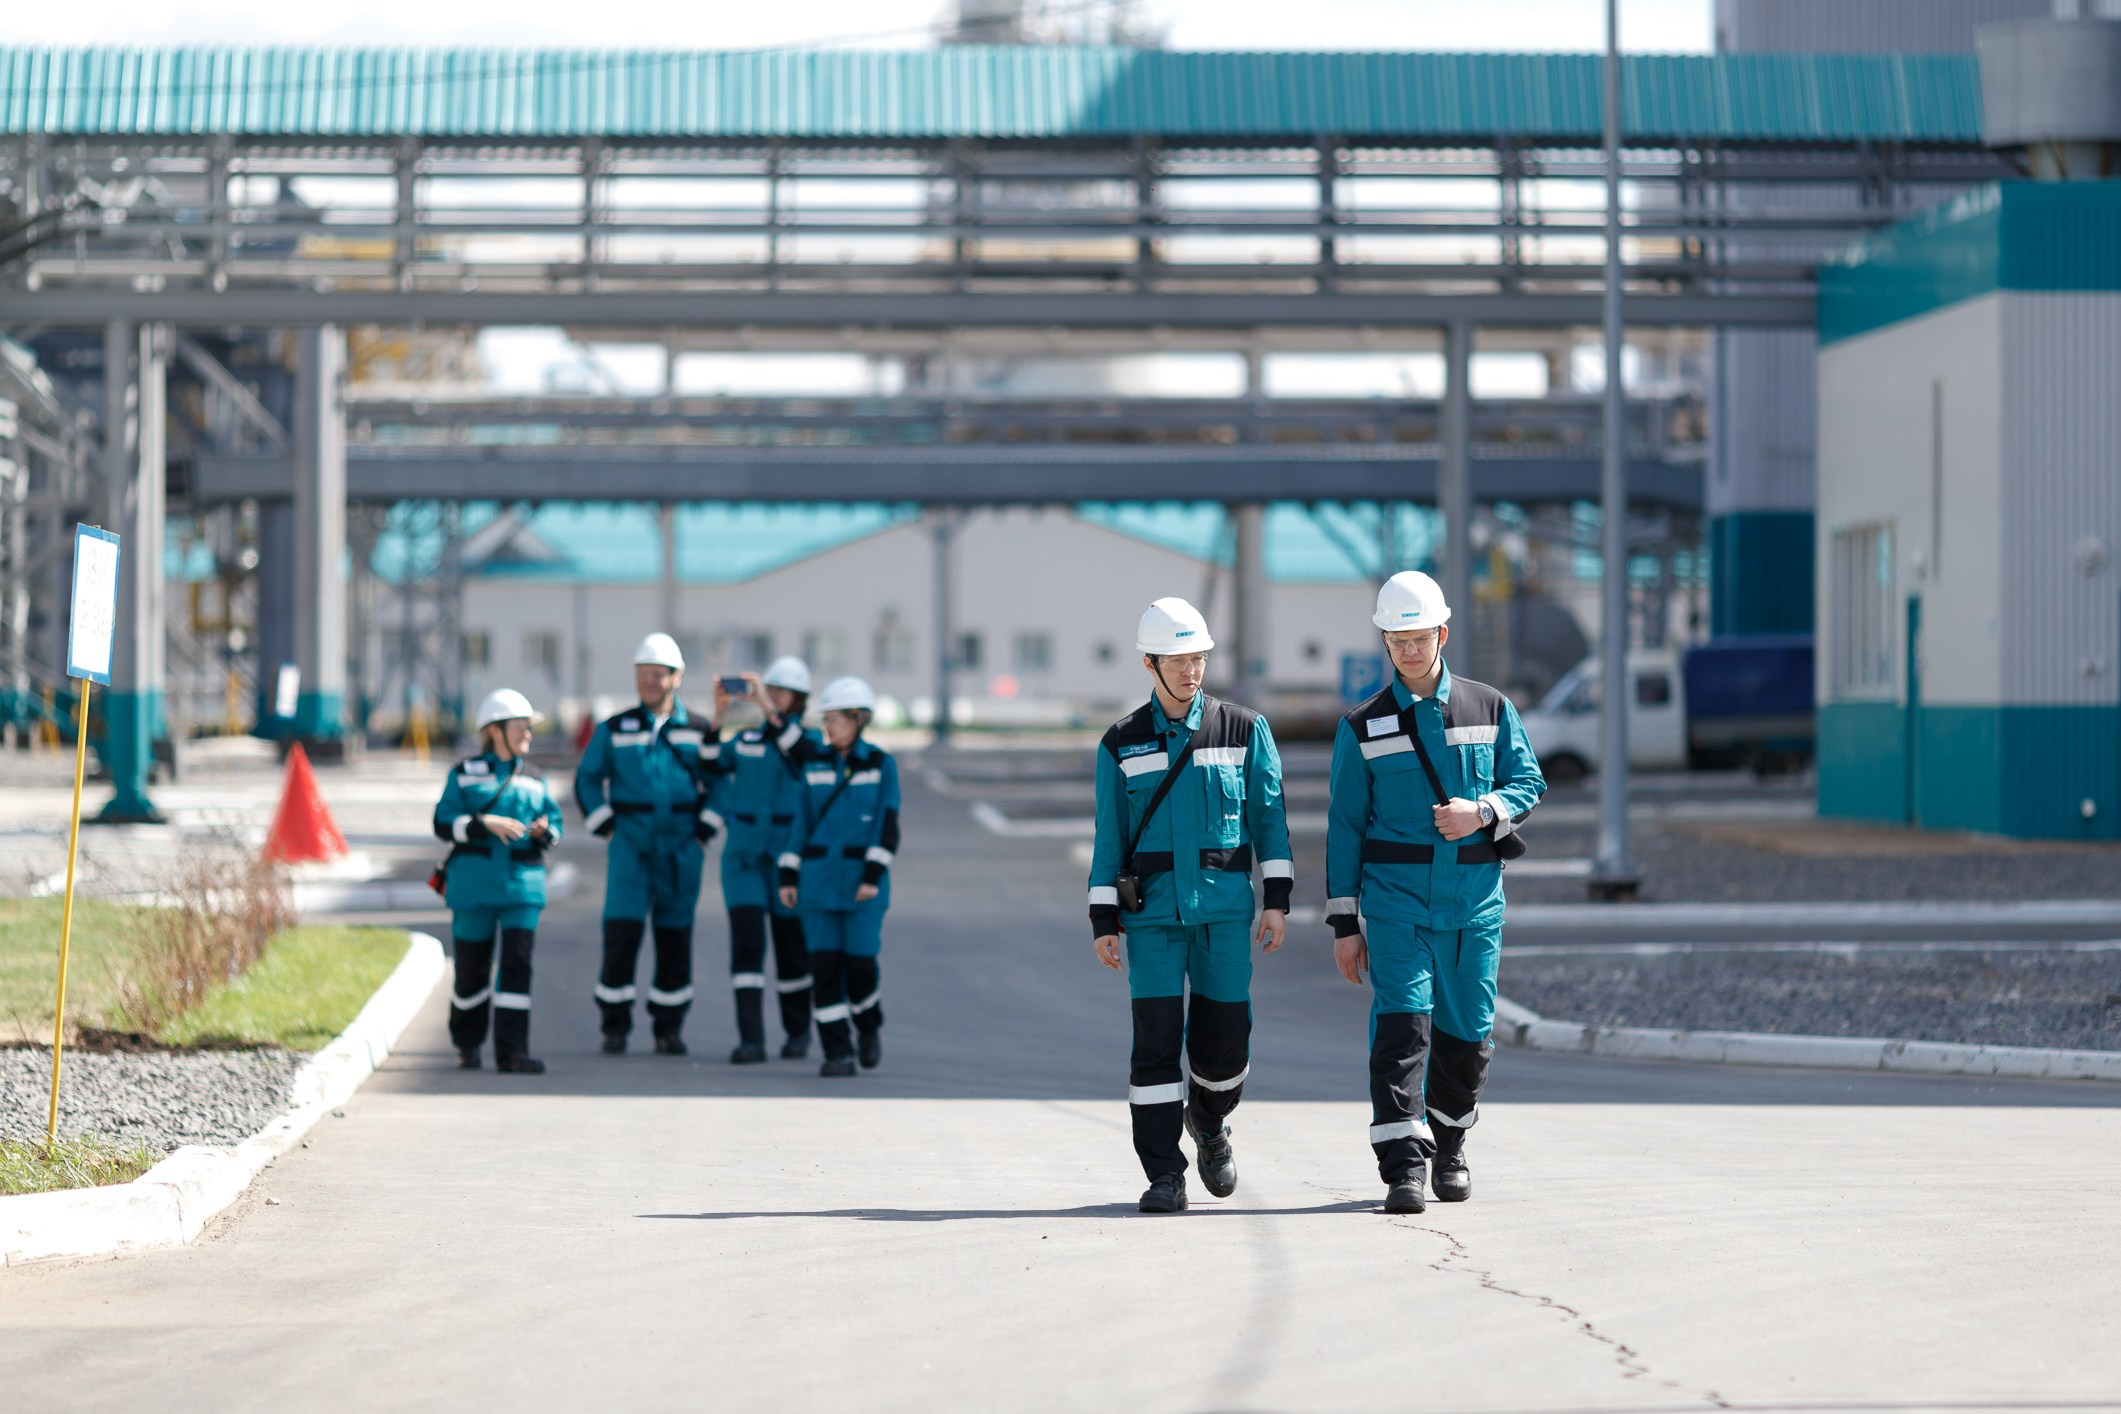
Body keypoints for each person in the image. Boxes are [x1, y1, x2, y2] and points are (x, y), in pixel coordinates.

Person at [1325, 571, 1546, 1214]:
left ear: (1442, 634)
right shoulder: (1362, 726)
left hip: (1474, 905)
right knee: (1403, 1028)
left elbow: (1527, 782)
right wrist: (1345, 924)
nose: (1410, 651)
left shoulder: (1489, 707)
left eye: (1419, 638)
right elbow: (1344, 831)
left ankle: (1450, 1147)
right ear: (1385, 643)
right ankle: (1403, 1168)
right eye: (1397, 640)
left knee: (1469, 1033)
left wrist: (1481, 810)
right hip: (1397, 906)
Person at [1087, 598, 1292, 1215]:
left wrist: (1276, 901)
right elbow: (1108, 836)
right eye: (1177, 660)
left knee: (1225, 1043)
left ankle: (1208, 1121)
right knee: (1154, 1043)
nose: (1190, 671)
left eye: (1198, 658)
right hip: (1151, 918)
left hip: (1226, 914)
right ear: (1150, 663)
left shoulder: (1243, 730)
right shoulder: (1120, 742)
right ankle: (1163, 1174)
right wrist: (1104, 917)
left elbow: (1270, 819)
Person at [575, 632, 719, 1056]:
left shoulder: (698, 730)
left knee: (675, 939)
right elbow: (587, 779)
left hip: (681, 849)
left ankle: (668, 1029)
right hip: (630, 848)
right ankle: (614, 1026)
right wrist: (607, 828)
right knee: (622, 934)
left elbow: (720, 784)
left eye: (658, 675)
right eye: (643, 675)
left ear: (677, 678)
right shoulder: (615, 728)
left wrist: (702, 834)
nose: (649, 683)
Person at [433, 688, 565, 1074]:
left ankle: (512, 1053)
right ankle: (467, 1044)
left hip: (523, 888)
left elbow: (556, 827)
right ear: (495, 730)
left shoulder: (535, 778)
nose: (528, 734)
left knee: (517, 968)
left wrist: (544, 831)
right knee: (471, 970)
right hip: (473, 889)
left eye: (529, 728)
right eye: (521, 727)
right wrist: (482, 823)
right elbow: (442, 822)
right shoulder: (464, 774)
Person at [776, 676, 898, 1079]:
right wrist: (788, 876)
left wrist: (872, 875)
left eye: (835, 719)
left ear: (858, 719)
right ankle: (837, 1052)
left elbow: (887, 825)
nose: (827, 727)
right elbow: (800, 826)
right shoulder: (813, 766)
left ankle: (868, 1025)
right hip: (818, 886)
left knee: (861, 968)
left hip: (863, 889)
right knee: (825, 970)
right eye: (825, 719)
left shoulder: (881, 765)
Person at [704, 655, 819, 1064]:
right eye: (770, 689)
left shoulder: (811, 743)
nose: (773, 696)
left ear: (800, 699)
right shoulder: (747, 740)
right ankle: (750, 1039)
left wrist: (768, 712)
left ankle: (797, 1032)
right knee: (748, 946)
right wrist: (718, 719)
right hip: (744, 860)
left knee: (792, 949)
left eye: (782, 692)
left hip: (787, 860)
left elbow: (800, 755)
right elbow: (710, 764)